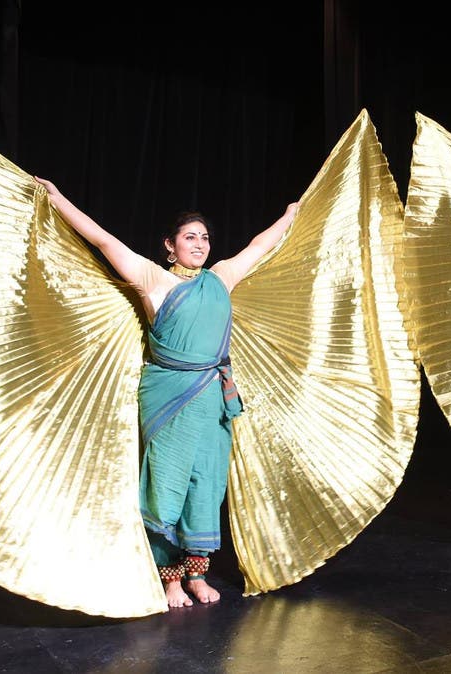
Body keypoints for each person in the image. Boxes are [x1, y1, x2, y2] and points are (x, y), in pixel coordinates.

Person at [35, 176, 298, 607]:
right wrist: (57, 198)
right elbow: (103, 240)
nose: (199, 243)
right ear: (170, 246)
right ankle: (170, 580)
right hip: (170, 398)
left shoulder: (219, 279)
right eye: (189, 237)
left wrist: (289, 217)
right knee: (168, 485)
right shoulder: (153, 280)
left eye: (205, 237)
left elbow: (257, 246)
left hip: (213, 398)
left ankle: (197, 574)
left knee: (206, 486)